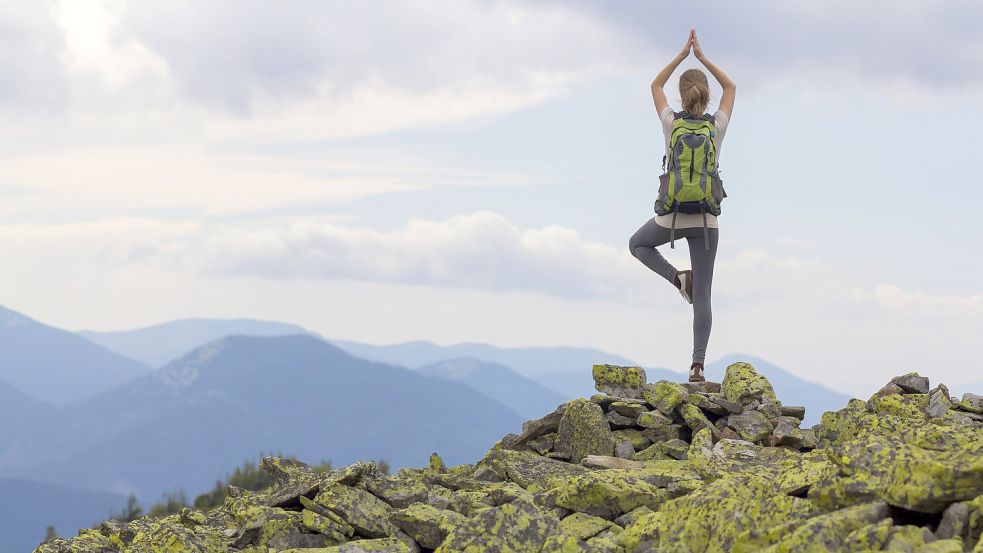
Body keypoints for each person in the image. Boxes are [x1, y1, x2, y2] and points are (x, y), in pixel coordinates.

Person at [629, 29, 736, 383]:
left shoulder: (670, 123)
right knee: (704, 297)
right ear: (706, 96)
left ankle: (677, 279)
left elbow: (654, 86)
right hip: (707, 221)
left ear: (681, 93)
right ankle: (697, 367)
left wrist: (681, 55)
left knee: (637, 244)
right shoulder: (715, 126)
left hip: (671, 217)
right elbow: (732, 88)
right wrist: (703, 57)